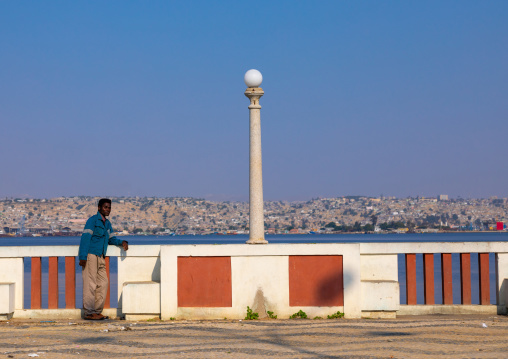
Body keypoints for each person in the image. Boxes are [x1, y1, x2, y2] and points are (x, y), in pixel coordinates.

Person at [78, 198, 128, 320]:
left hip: (101, 256)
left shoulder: (107, 223)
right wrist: (83, 257)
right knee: (90, 284)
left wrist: (122, 242)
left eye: (109, 208)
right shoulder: (92, 221)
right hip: (90, 255)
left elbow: (111, 239)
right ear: (99, 208)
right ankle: (89, 313)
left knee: (103, 283)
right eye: (105, 207)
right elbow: (85, 238)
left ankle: (97, 311)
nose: (108, 210)